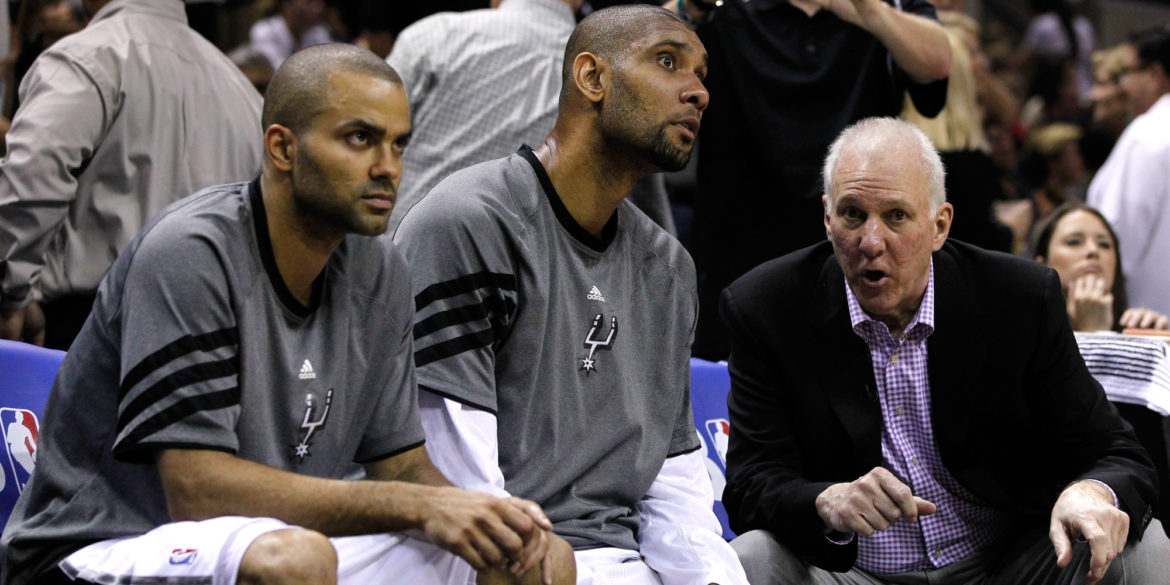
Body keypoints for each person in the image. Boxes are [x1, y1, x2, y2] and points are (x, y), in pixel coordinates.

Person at [0, 44, 572, 585]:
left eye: (398, 144)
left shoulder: (382, 270)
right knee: (293, 558)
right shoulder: (192, 253)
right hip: (98, 547)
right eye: (360, 138)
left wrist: (475, 510)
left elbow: (400, 468)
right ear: (282, 148)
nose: (388, 167)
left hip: (279, 540)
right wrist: (419, 505)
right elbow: (197, 493)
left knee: (535, 557)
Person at [720, 117, 1167, 585]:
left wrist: (1093, 493)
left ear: (939, 225)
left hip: (1006, 566)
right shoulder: (766, 307)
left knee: (1139, 544)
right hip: (853, 573)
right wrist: (824, 500)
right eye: (853, 214)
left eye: (896, 216)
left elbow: (1117, 451)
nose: (871, 242)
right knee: (752, 557)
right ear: (828, 218)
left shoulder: (1018, 299)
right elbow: (750, 484)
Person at [394, 6, 747, 585]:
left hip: (617, 560)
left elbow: (676, 491)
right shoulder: (468, 224)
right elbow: (458, 492)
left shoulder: (668, 267)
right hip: (480, 560)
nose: (698, 93)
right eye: (668, 62)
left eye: (703, 75)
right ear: (592, 78)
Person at [0, 0, 264, 350]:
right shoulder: (241, 88)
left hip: (91, 329)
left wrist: (11, 293)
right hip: (208, 337)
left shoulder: (89, 56)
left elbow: (32, 176)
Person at [386, 0, 676, 236]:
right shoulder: (613, 79)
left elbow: (358, 136)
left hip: (395, 257)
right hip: (520, 282)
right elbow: (652, 224)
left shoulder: (433, 36)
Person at [1087, 28, 1170, 318]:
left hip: (1143, 319)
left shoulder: (1149, 134)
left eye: (1129, 72)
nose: (1123, 85)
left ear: (1154, 74)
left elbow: (1117, 236)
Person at [1031, 203, 1168, 333]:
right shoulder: (1021, 335)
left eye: (1104, 244)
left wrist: (1156, 346)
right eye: (1074, 242)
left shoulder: (1134, 329)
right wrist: (1093, 331)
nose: (1093, 250)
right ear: (1042, 263)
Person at [249, 0, 332, 70]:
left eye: (319, 3)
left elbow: (331, 66)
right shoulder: (264, 31)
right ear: (287, 4)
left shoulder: (319, 33)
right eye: (309, 2)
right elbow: (278, 72)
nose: (318, 10)